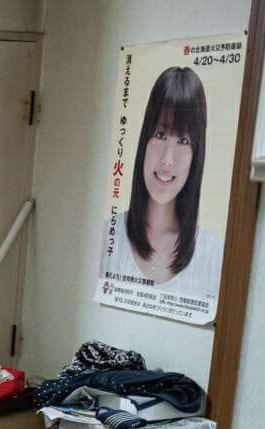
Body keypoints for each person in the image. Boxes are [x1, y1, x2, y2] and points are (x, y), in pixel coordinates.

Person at [101, 66, 222, 301]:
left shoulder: (213, 253)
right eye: (160, 134)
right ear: (144, 139)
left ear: (196, 155)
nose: (167, 159)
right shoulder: (109, 235)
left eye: (184, 140)